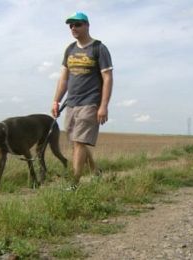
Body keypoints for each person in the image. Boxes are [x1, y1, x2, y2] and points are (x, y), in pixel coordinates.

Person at [51, 12, 113, 189]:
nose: (73, 28)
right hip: (71, 104)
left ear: (87, 25)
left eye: (77, 24)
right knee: (77, 142)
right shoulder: (70, 49)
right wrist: (56, 101)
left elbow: (107, 78)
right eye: (71, 25)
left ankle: (73, 184)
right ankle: (95, 172)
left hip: (91, 102)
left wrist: (103, 106)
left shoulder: (99, 48)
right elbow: (64, 78)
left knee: (79, 142)